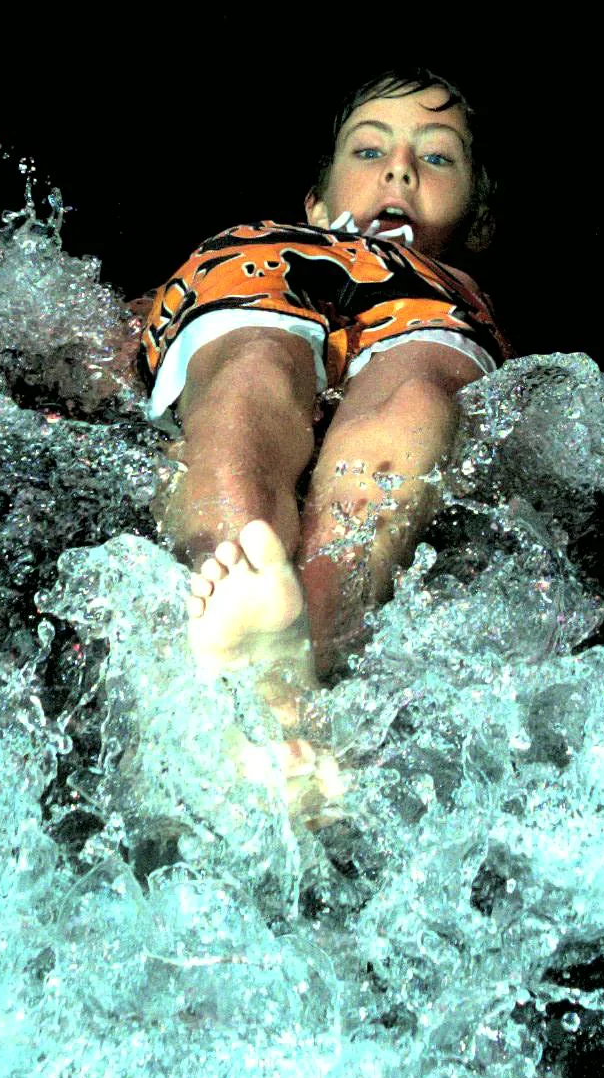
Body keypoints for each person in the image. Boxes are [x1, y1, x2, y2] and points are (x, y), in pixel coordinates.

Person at [135, 70, 513, 759]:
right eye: (369, 152)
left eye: (436, 157)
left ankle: (294, 652)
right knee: (251, 369)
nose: (400, 168)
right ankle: (240, 588)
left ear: (479, 221)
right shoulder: (265, 235)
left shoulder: (455, 285)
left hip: (425, 303)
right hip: (260, 271)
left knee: (417, 399)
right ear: (316, 199)